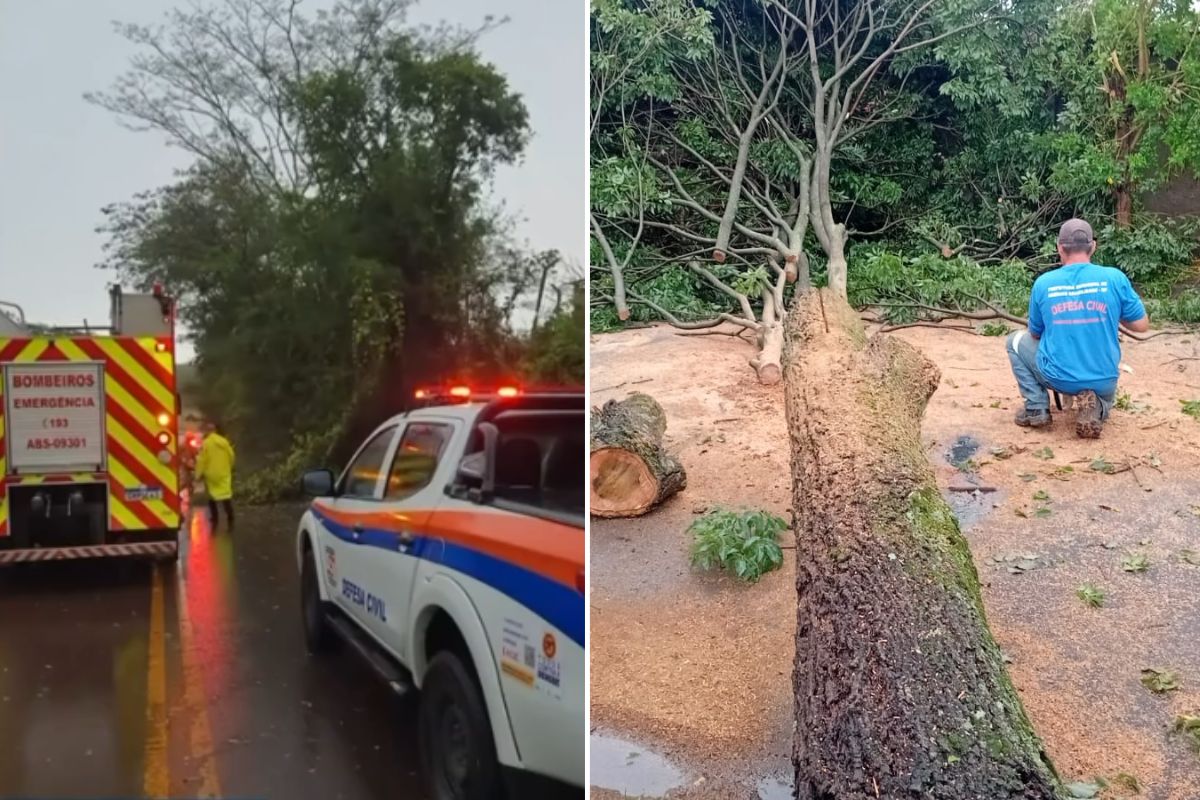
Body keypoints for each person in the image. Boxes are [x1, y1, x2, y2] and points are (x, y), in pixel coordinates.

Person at [1006, 218, 1149, 439]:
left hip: (1059, 378)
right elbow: (1141, 325)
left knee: (1014, 341)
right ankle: (1096, 407)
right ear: (1093, 246)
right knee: (1105, 397)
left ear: (1059, 248)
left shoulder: (1044, 284)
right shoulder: (1114, 278)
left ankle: (1036, 407)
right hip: (1104, 379)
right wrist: (1109, 312)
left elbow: (1034, 334)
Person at [196, 420, 236, 528]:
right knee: (226, 495)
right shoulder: (224, 442)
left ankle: (215, 517)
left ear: (208, 431)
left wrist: (198, 474)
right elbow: (231, 455)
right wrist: (230, 467)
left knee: (212, 496)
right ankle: (230, 516)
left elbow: (202, 460)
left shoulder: (206, 443)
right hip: (224, 472)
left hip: (211, 474)